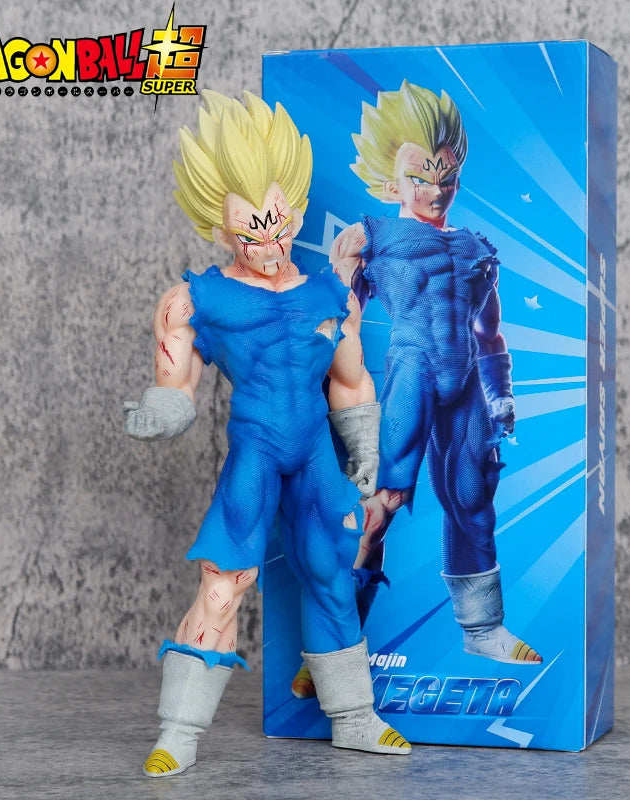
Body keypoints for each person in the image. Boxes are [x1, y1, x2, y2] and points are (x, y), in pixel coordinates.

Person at [124, 89, 410, 777]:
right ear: (219, 227)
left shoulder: (327, 294)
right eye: (251, 230)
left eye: (277, 224)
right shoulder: (201, 299)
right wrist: (165, 408)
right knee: (223, 583)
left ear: (296, 212)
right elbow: (177, 378)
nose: (269, 243)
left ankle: (355, 716)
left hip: (313, 454)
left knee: (331, 572)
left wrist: (364, 446)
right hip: (254, 452)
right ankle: (179, 730)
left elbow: (350, 380)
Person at [324, 81, 542, 673]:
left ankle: (484, 629)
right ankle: (336, 644)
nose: (436, 188)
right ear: (391, 178)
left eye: (448, 175)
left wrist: (501, 398)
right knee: (379, 503)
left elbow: (490, 335)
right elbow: (339, 324)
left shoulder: (476, 250)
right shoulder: (371, 238)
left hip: (465, 383)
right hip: (411, 374)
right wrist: (342, 397)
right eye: (421, 175)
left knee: (473, 498)